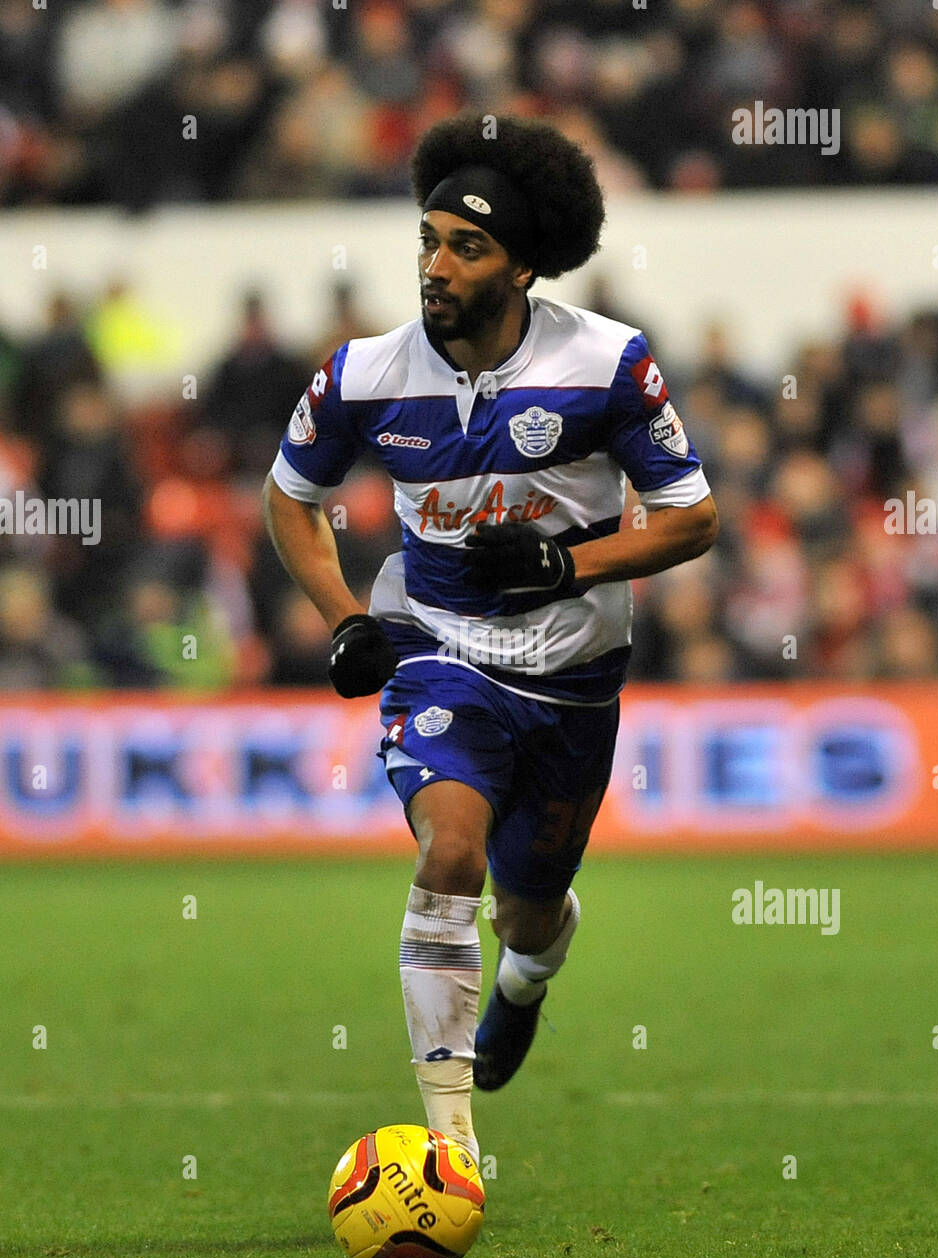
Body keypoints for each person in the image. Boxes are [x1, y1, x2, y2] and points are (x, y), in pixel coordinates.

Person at [262, 113, 718, 1164]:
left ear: (522, 266)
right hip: (440, 645)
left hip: (572, 674)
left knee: (531, 910)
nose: (436, 265)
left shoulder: (608, 364)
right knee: (451, 849)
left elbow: (693, 517)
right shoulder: (362, 376)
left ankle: (526, 981)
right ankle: (450, 1143)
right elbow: (292, 500)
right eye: (427, 240)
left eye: (465, 248)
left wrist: (574, 564)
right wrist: (344, 617)